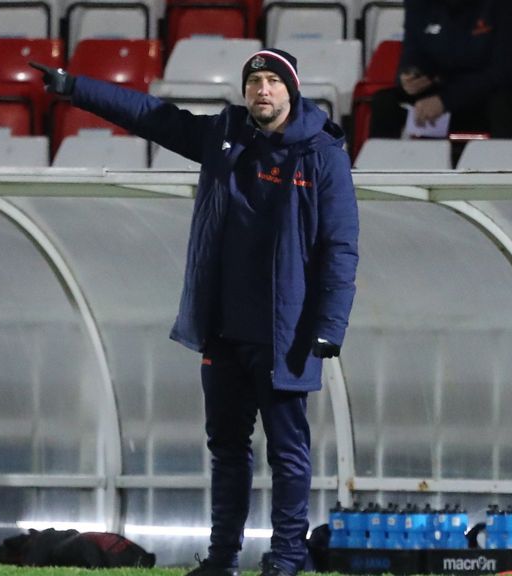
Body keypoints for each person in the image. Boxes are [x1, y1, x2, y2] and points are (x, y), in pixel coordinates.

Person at [30, 48, 358, 576]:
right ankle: (223, 560)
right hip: (223, 329)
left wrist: (330, 326)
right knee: (227, 450)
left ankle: (287, 559)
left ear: (291, 90)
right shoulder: (224, 135)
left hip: (286, 334)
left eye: (274, 81)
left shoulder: (322, 154)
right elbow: (152, 116)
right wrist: (75, 87)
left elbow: (341, 246)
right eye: (255, 83)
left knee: (288, 454)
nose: (263, 91)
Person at [368, 0, 512, 139]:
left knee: (503, 103)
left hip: (507, 93)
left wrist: (446, 100)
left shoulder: (504, 5)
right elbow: (413, 50)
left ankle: (503, 180)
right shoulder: (419, 4)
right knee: (385, 103)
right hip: (450, 89)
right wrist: (409, 77)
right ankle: (378, 183)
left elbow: (508, 70)